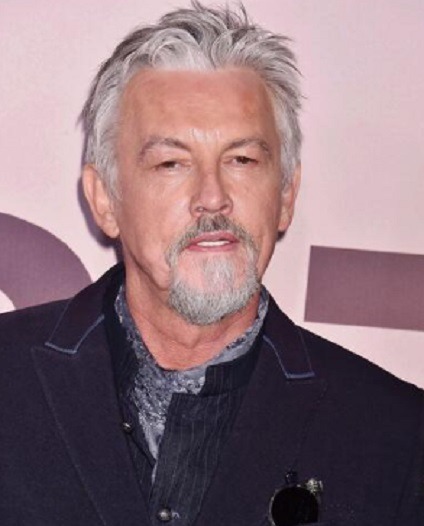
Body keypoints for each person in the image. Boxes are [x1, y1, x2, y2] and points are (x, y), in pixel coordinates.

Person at [0, 3, 422, 525]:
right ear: (105, 198)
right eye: (171, 163)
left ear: (286, 195)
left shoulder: (397, 440)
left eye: (241, 160)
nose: (212, 197)